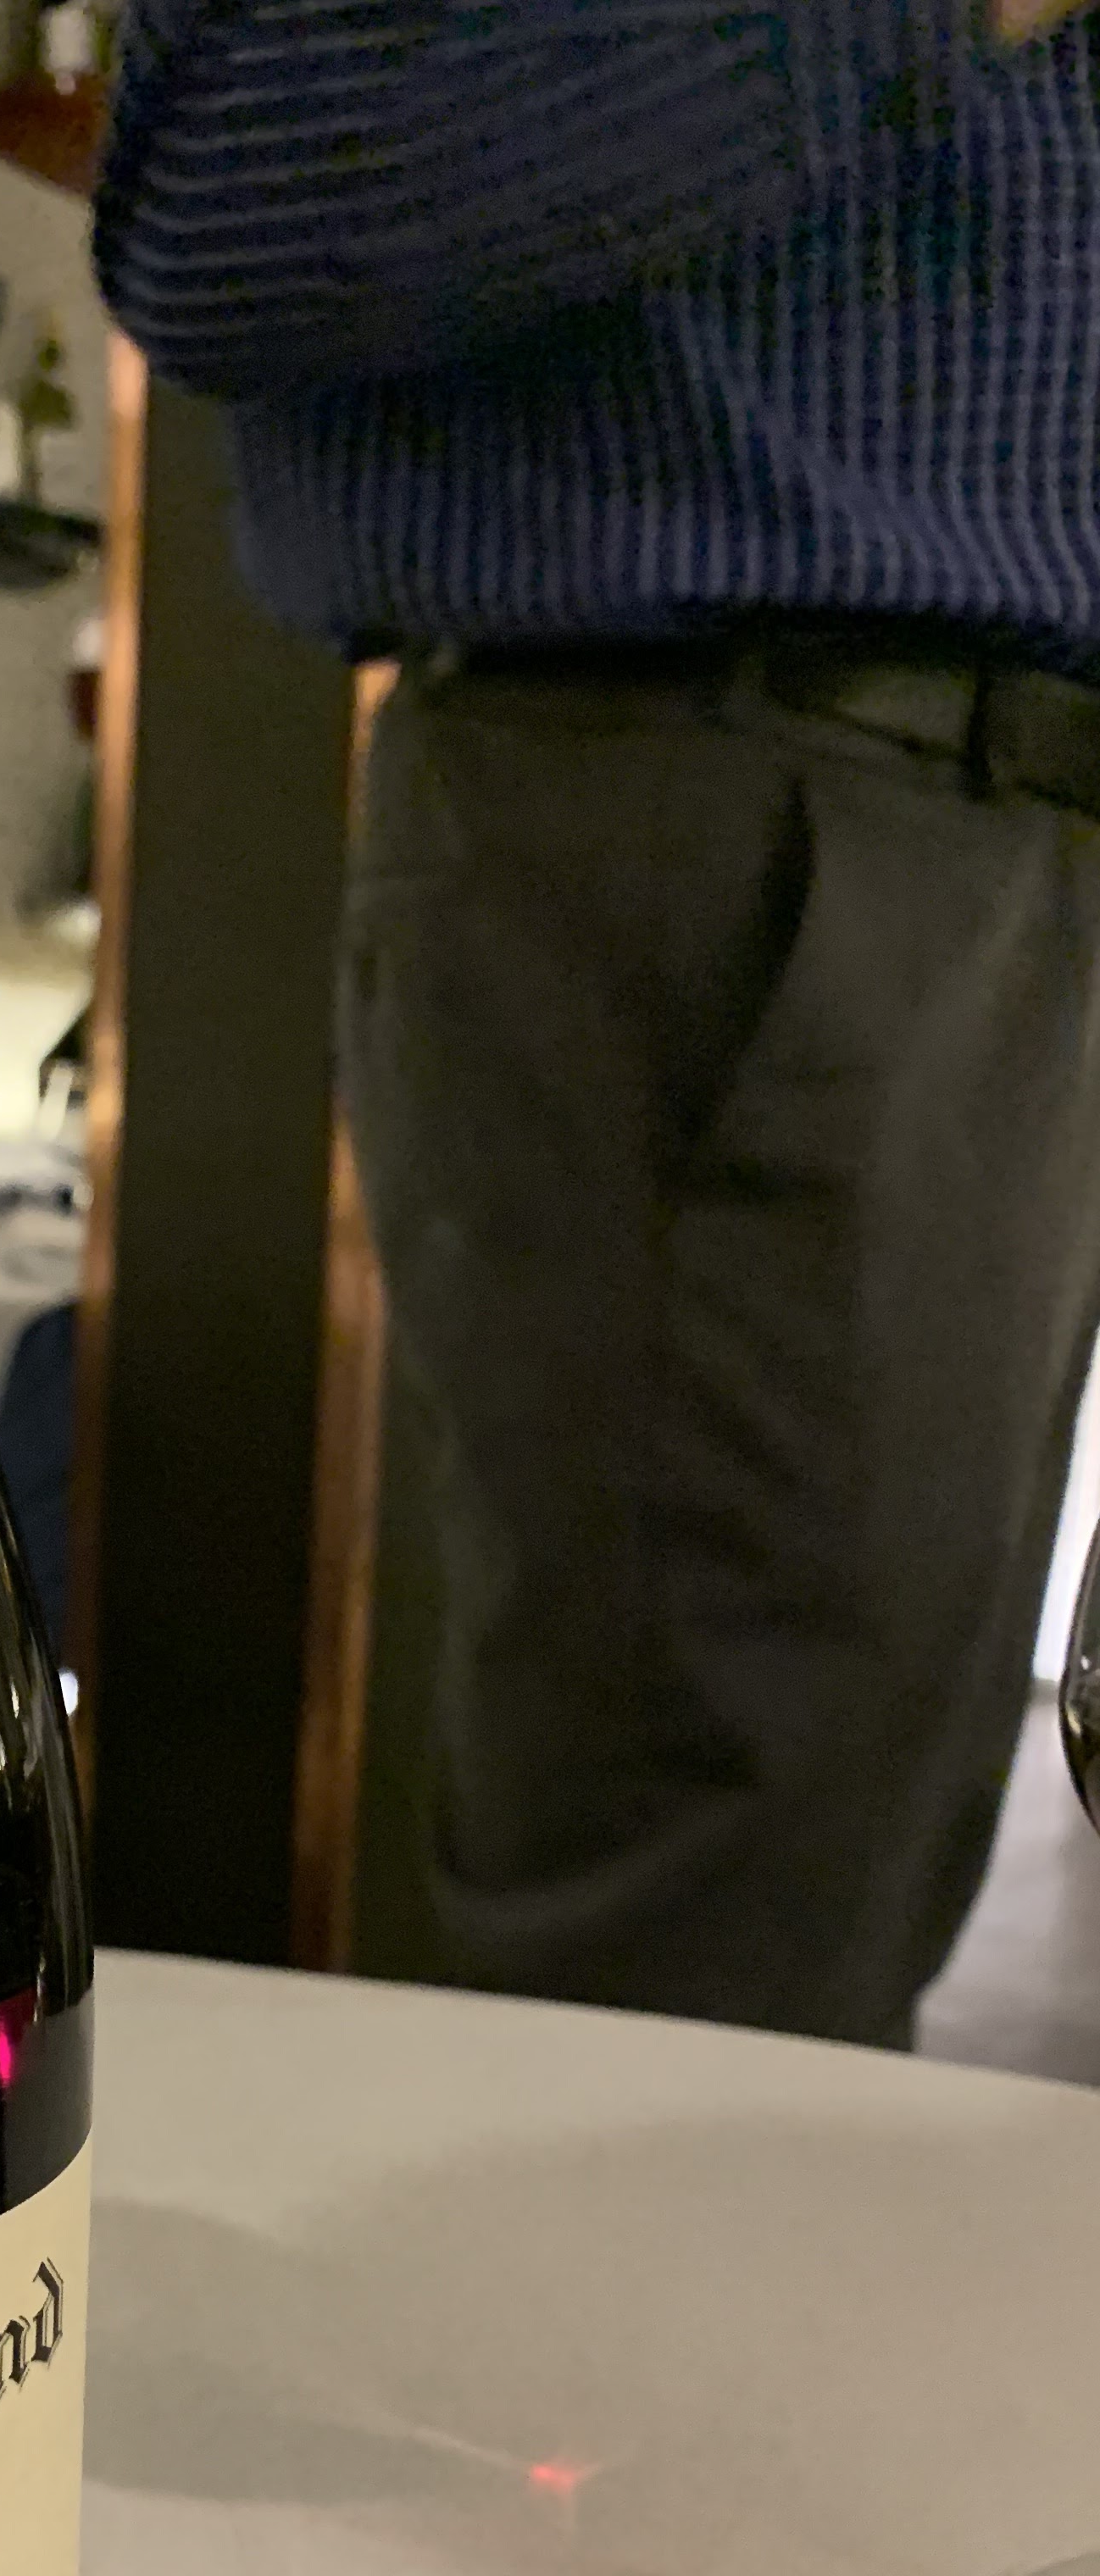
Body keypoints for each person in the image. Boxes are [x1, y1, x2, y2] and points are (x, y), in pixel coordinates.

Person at [94, 0, 1100, 2046]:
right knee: (718, 1944)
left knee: (827, 1892)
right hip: (764, 806)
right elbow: (231, 191)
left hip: (949, 831)